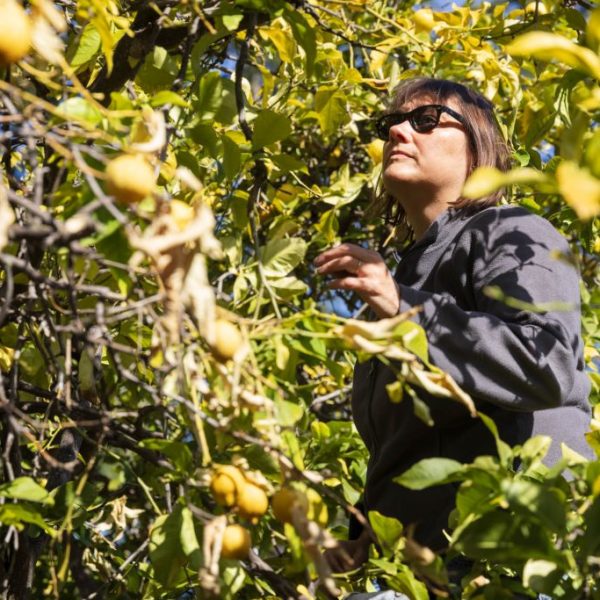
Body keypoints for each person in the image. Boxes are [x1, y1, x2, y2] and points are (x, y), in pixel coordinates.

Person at [314, 77, 592, 572]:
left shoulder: (515, 232)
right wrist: (363, 539)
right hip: (430, 569)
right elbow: (407, 455)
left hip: (521, 553)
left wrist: (404, 305)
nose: (398, 132)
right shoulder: (403, 278)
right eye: (390, 124)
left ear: (477, 147)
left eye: (423, 121)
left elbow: (544, 366)